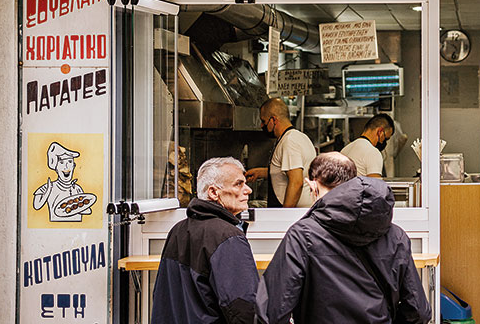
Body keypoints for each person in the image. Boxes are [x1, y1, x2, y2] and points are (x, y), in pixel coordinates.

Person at [257, 152, 431, 324]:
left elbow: (272, 312)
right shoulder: (396, 236)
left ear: (312, 186)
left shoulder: (303, 236)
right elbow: (418, 311)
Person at [151, 157, 258, 324]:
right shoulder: (228, 237)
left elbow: (162, 298)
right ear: (214, 192)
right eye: (239, 184)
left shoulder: (178, 230)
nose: (248, 190)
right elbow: (244, 307)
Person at [245, 98, 316, 207]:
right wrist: (261, 173)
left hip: (293, 215)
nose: (261, 126)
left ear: (274, 120)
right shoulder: (299, 137)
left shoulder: (290, 141)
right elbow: (288, 171)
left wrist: (284, 215)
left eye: (263, 121)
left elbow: (296, 182)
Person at [341, 113, 394, 177]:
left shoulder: (344, 150)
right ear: (380, 132)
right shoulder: (373, 152)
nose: (384, 142)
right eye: (385, 138)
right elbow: (375, 185)